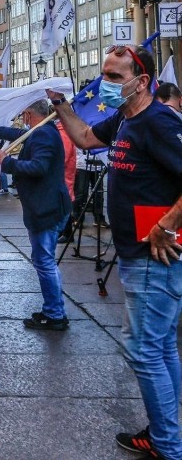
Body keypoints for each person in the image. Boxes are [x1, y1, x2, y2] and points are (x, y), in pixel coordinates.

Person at [47, 44, 182, 460]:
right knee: (160, 348)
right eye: (104, 74)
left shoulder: (158, 121)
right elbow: (86, 138)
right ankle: (169, 429)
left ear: (142, 82)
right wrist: (63, 105)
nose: (104, 83)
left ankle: (168, 444)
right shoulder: (125, 118)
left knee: (144, 351)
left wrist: (167, 225)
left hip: (152, 255)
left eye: (115, 77)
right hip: (137, 253)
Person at [0, 99, 72, 331]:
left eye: (22, 116)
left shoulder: (42, 136)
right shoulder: (41, 131)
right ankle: (54, 308)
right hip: (46, 206)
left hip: (46, 208)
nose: (21, 121)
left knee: (45, 262)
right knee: (44, 260)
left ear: (28, 115)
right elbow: (15, 133)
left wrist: (6, 162)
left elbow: (38, 168)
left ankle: (55, 313)